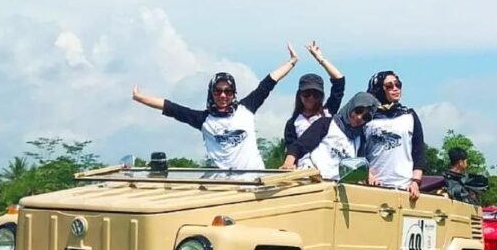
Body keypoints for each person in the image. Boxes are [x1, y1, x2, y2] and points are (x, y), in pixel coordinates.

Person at [131, 44, 298, 171]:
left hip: (253, 182)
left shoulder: (246, 109)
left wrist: (291, 62)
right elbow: (171, 108)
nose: (223, 95)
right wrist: (140, 98)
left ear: (234, 93)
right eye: (218, 91)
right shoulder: (204, 119)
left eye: (228, 91)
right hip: (222, 187)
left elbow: (268, 83)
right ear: (211, 93)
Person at [280, 92, 378, 181]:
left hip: (336, 188)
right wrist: (288, 162)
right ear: (351, 106)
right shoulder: (327, 123)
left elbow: (360, 164)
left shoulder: (359, 139)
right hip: (312, 179)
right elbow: (300, 145)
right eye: (358, 110)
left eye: (366, 117)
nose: (359, 117)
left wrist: (369, 175)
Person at [364, 71, 427, 202]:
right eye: (389, 86)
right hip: (374, 185)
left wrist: (416, 181)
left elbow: (419, 151)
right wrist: (367, 174)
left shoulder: (408, 115)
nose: (395, 89)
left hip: (405, 186)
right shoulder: (366, 117)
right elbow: (358, 151)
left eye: (398, 84)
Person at [282, 42, 346, 158]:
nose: (311, 98)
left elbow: (339, 81)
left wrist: (320, 59)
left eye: (316, 94)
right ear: (299, 95)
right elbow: (291, 151)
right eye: (306, 94)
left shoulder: (328, 112)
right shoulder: (292, 123)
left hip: (328, 171)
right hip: (304, 172)